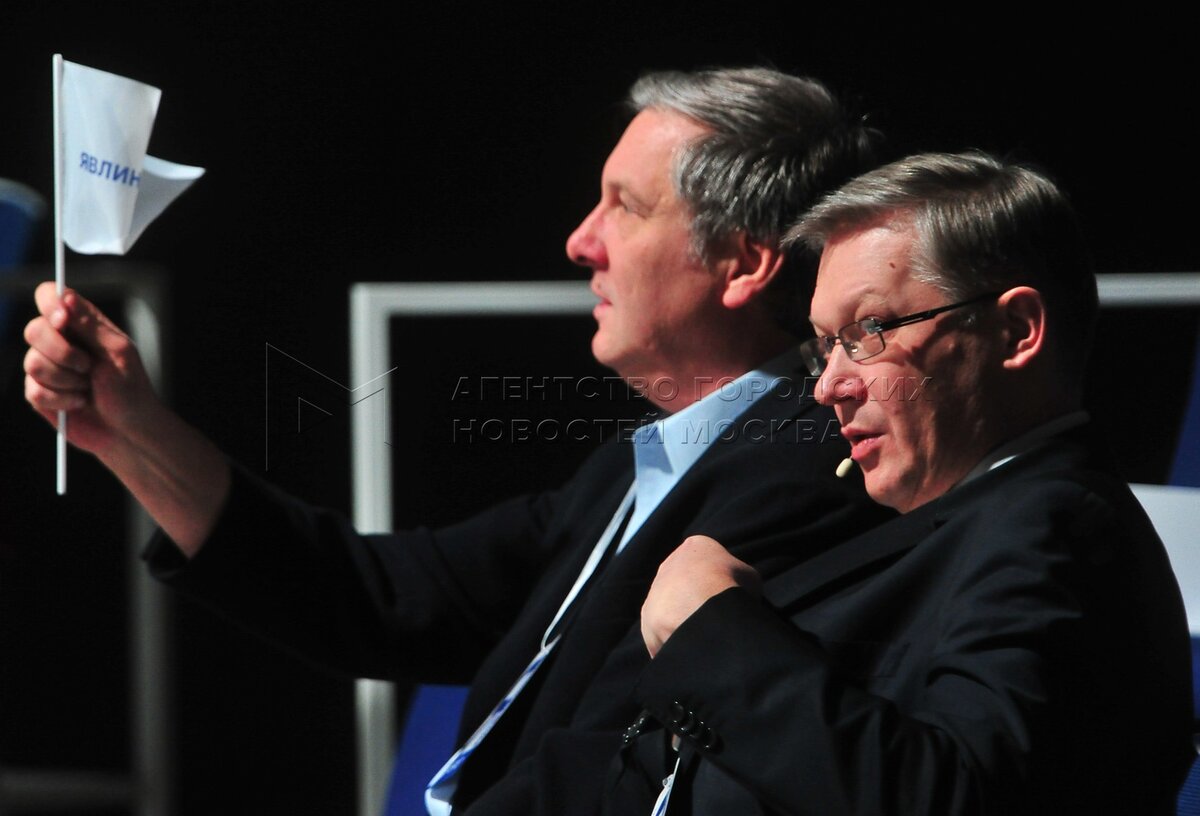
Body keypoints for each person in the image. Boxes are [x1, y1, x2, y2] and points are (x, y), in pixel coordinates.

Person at [22, 67, 893, 814]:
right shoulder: (640, 468)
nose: (580, 241)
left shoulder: (807, 469)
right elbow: (378, 599)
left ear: (744, 263)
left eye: (624, 207)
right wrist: (130, 429)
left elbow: (613, 767)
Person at [619, 150, 1195, 814]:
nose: (829, 386)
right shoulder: (981, 523)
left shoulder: (1056, 527)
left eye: (868, 331)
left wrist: (711, 632)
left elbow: (947, 796)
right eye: (824, 345)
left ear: (1015, 331)